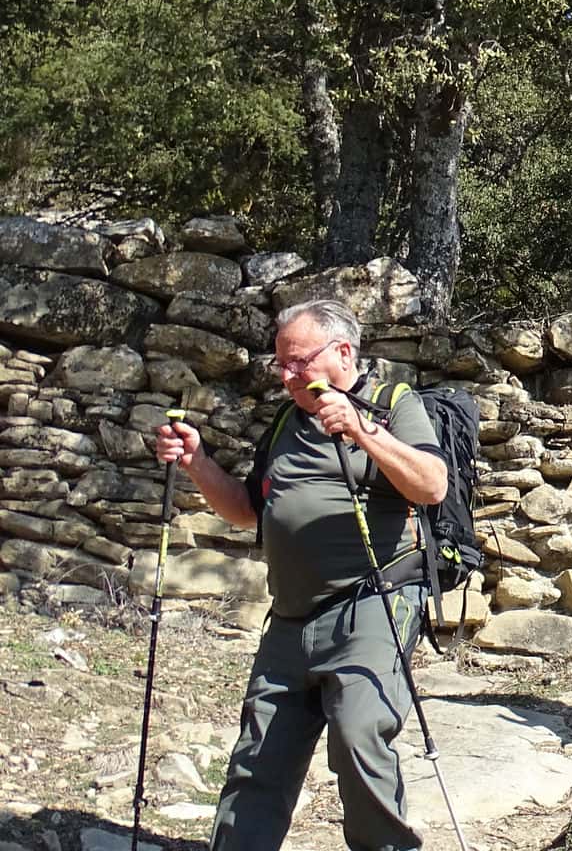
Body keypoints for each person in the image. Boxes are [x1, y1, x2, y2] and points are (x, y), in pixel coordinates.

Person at [153, 299, 449, 851]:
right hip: (290, 616)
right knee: (258, 754)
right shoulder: (289, 418)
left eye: (298, 362)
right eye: (280, 364)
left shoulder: (393, 403)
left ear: (342, 352)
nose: (287, 375)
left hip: (374, 602)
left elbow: (432, 484)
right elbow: (247, 509)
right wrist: (196, 462)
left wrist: (363, 431)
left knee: (360, 733)